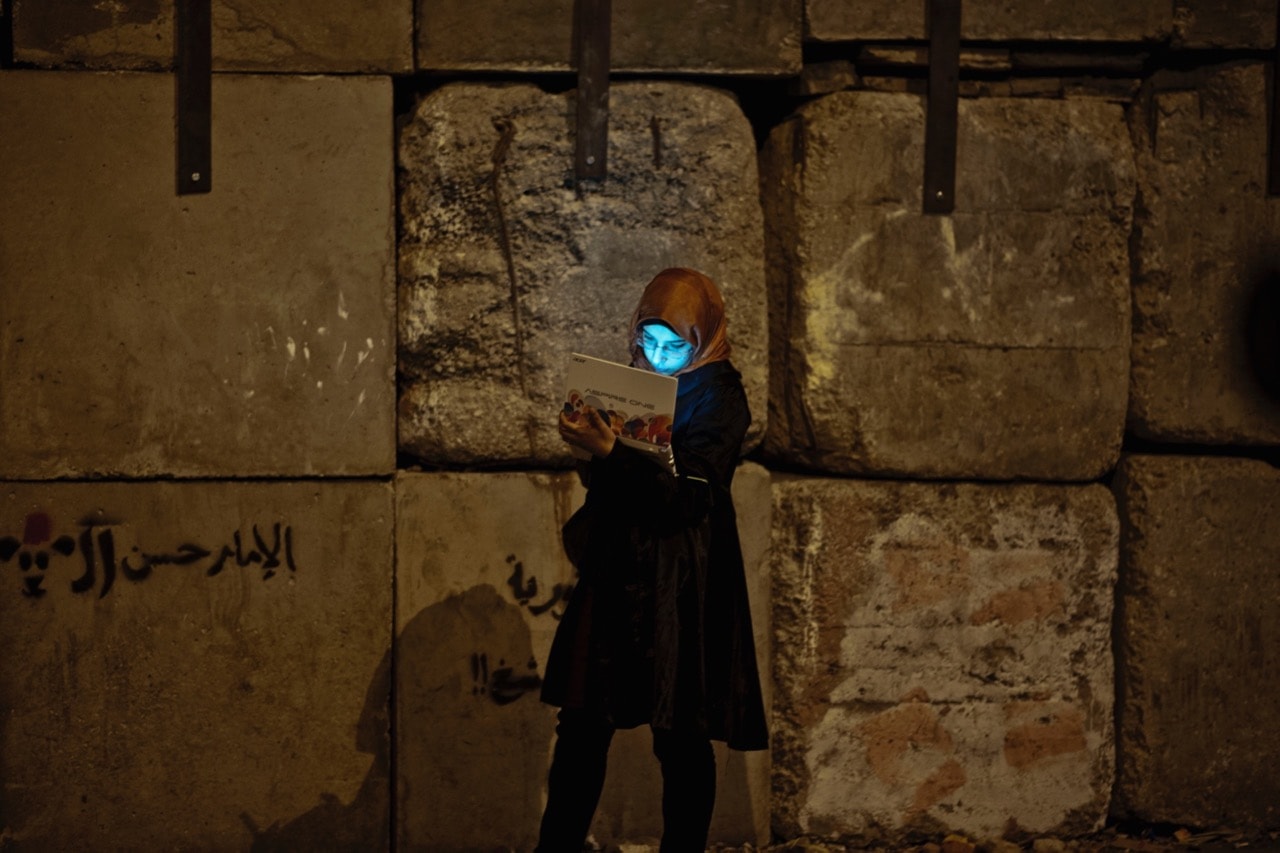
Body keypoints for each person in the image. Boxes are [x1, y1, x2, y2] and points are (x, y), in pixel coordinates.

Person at [536, 268, 768, 852]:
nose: (659, 358)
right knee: (584, 721)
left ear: (704, 337)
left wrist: (611, 451)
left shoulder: (720, 394)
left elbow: (690, 494)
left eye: (675, 346)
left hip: (681, 579)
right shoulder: (634, 383)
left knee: (681, 732)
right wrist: (592, 446)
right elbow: (616, 484)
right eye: (649, 342)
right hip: (620, 571)